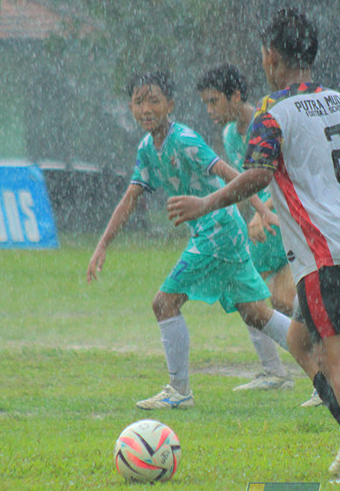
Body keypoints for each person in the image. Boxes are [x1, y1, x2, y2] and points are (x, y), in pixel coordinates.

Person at [169, 9, 340, 484]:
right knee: (299, 339)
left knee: (337, 358)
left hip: (323, 256)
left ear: (270, 57)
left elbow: (257, 175)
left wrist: (205, 203)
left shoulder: (270, 112)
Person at [86, 71, 293, 410]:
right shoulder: (146, 148)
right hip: (219, 230)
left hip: (217, 230)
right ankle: (314, 363)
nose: (145, 108)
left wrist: (261, 209)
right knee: (255, 311)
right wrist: (103, 244)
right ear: (130, 107)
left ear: (170, 104)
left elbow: (229, 172)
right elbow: (130, 198)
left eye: (154, 100)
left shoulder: (183, 140)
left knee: (164, 303)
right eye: (138, 102)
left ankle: (178, 391)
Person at [196, 64, 340, 400]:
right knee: (254, 297)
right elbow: (258, 178)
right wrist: (257, 214)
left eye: (214, 102)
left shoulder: (271, 115)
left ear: (236, 95)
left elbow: (285, 172)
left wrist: (263, 211)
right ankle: (278, 371)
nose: (210, 111)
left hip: (291, 224)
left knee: (288, 301)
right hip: (269, 225)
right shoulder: (231, 133)